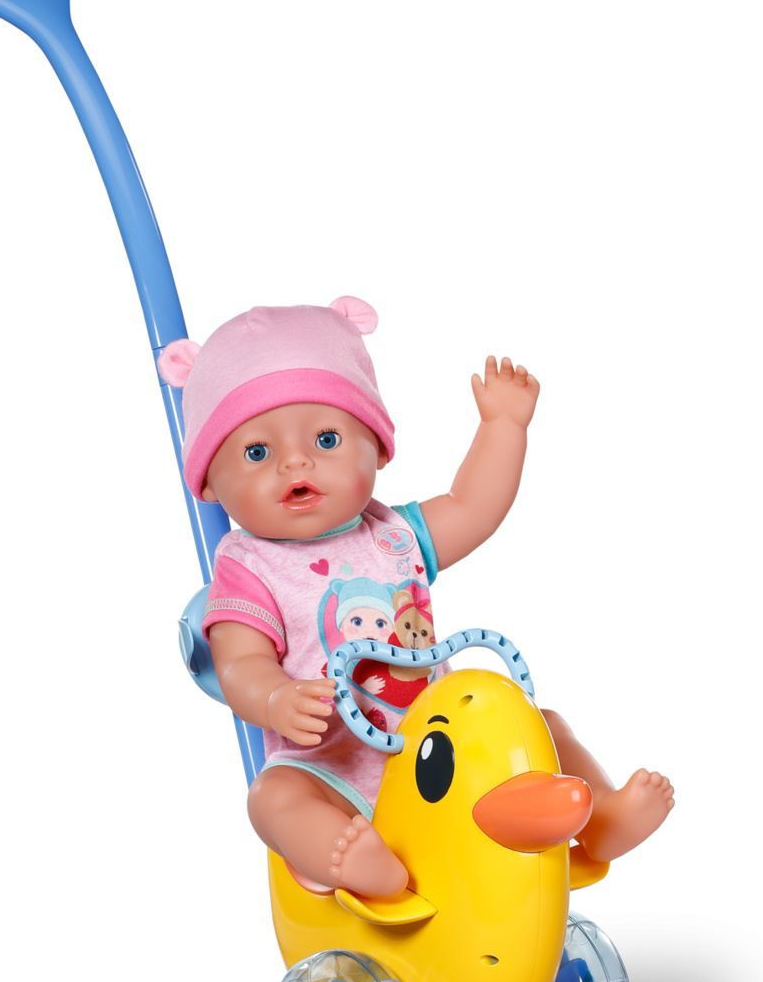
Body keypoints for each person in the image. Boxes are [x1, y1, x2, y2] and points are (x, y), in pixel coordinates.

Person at [158, 296, 674, 896]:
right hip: (331, 769)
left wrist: (503, 429)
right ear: (210, 482)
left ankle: (601, 815)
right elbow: (239, 662)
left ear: (376, 448)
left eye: (326, 438)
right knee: (272, 797)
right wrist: (275, 698)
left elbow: (472, 507)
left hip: (443, 743)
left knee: (539, 726)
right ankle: (342, 856)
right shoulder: (248, 568)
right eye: (256, 452)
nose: (295, 461)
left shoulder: (393, 535)